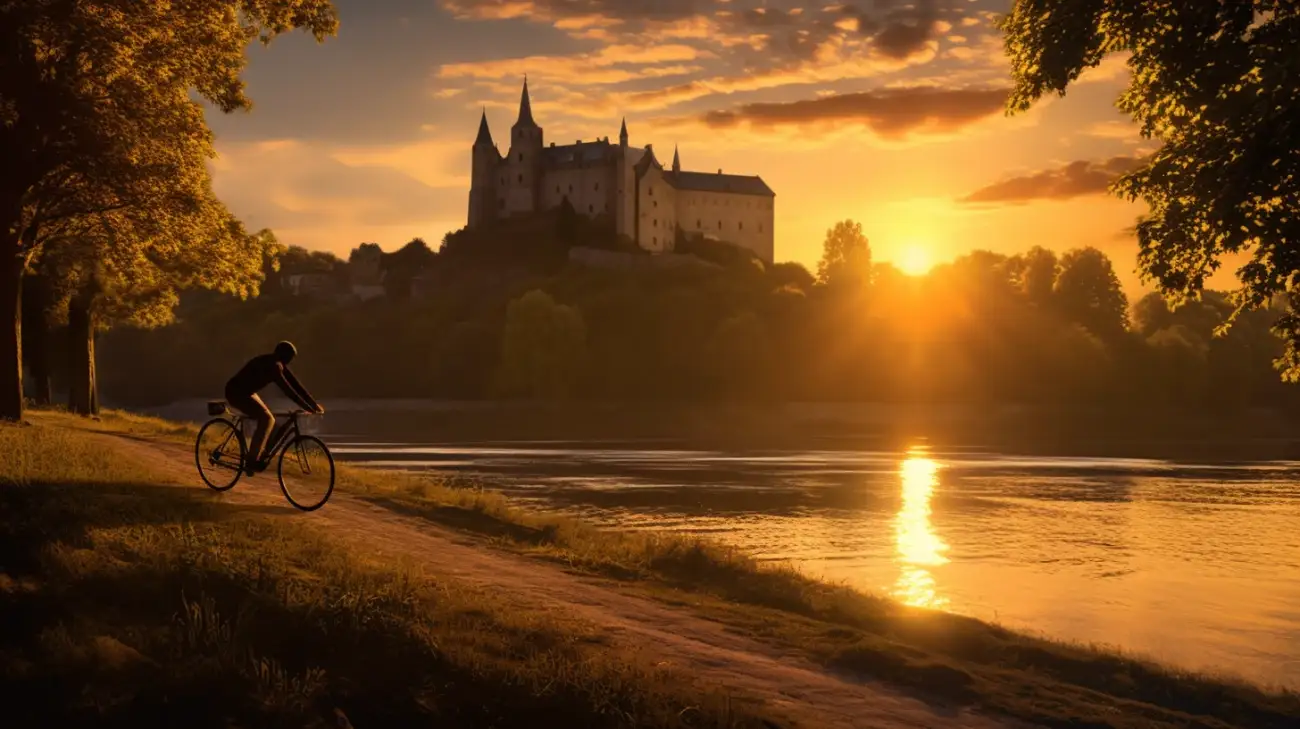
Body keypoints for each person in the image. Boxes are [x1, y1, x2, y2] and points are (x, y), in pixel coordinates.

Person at [224, 341, 324, 475]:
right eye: (289, 358)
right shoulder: (274, 366)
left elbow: (296, 385)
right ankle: (251, 460)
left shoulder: (277, 363)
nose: (289, 362)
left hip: (247, 392)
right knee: (265, 418)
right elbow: (289, 392)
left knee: (273, 424)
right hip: (235, 392)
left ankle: (262, 455)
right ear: (283, 355)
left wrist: (314, 404)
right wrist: (309, 408)